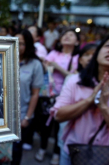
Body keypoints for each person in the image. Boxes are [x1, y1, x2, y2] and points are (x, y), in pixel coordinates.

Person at [51, 35, 109, 165]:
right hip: (73, 152)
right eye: (107, 46)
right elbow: (58, 115)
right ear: (98, 52)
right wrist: (89, 100)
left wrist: (104, 107)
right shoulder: (75, 81)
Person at [35, 29, 80, 165]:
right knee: (45, 125)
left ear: (77, 41)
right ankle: (42, 148)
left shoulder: (78, 58)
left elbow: (74, 77)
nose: (66, 36)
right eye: (65, 34)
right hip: (49, 95)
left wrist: (57, 67)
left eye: (71, 35)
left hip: (67, 97)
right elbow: (44, 68)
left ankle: (57, 153)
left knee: (61, 126)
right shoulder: (54, 53)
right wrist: (45, 64)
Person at [11, 29, 44, 165]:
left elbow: (35, 93)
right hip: (0, 115)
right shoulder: (3, 58)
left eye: (22, 43)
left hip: (21, 114)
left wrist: (27, 117)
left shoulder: (35, 64)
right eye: (15, 42)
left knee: (15, 151)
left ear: (29, 45)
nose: (18, 46)